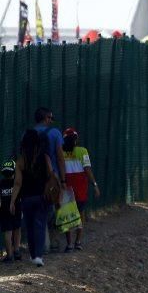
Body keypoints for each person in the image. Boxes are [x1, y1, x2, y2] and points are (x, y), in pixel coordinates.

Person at [10, 130, 54, 267]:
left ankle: (33, 254)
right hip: (42, 197)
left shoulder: (21, 160)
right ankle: (39, 256)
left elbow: (17, 183)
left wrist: (12, 201)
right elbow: (51, 175)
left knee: (29, 228)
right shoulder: (45, 157)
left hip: (26, 199)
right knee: (40, 225)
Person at [61, 128, 100, 252]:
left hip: (66, 187)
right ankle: (78, 241)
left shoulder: (60, 151)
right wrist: (95, 184)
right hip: (81, 188)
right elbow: (87, 169)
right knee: (80, 213)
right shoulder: (82, 151)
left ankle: (69, 244)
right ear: (76, 139)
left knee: (67, 215)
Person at [33, 107, 66, 252]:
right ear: (46, 118)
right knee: (54, 207)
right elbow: (60, 157)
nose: (52, 121)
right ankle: (54, 242)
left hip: (32, 177)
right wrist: (63, 180)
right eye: (51, 118)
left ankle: (41, 243)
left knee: (37, 209)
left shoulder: (28, 133)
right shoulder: (55, 133)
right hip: (52, 176)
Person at [0, 159, 22, 262]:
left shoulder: (1, 184)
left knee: (8, 232)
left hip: (4, 210)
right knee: (17, 228)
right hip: (16, 209)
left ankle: (9, 255)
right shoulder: (16, 183)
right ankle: (17, 251)